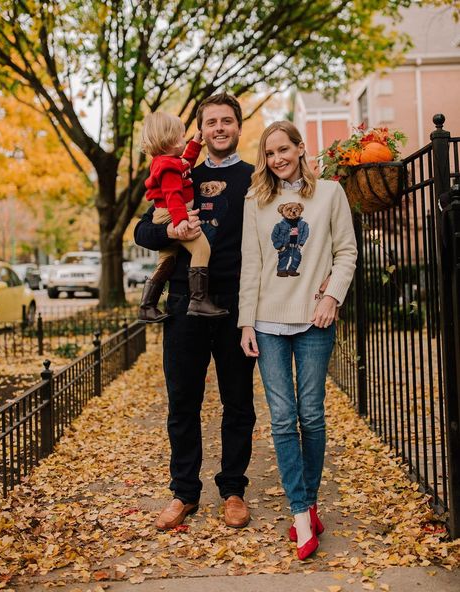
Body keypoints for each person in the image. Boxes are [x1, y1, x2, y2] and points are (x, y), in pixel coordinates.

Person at [134, 93, 256, 530]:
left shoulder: (255, 178)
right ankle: (184, 493)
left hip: (236, 304)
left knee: (237, 402)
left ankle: (234, 489)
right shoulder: (181, 171)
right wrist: (172, 227)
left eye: (227, 121)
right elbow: (142, 231)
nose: (219, 128)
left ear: (238, 127)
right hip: (185, 303)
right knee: (182, 402)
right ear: (200, 131)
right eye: (211, 122)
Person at [238, 121, 357, 560]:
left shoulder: (329, 194)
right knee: (284, 419)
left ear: (300, 148)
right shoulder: (256, 200)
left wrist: (332, 296)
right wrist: (246, 323)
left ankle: (306, 503)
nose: (277, 159)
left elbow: (346, 252)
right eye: (269, 154)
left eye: (283, 150)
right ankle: (302, 511)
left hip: (314, 320)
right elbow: (251, 266)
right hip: (268, 323)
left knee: (312, 414)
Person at [138, 112, 228, 321]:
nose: (184, 140)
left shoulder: (172, 162)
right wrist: (181, 222)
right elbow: (173, 196)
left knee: (167, 261)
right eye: (180, 137)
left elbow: (187, 163)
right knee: (201, 248)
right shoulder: (167, 167)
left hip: (168, 215)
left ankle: (147, 306)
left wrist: (195, 144)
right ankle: (198, 300)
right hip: (172, 215)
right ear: (167, 141)